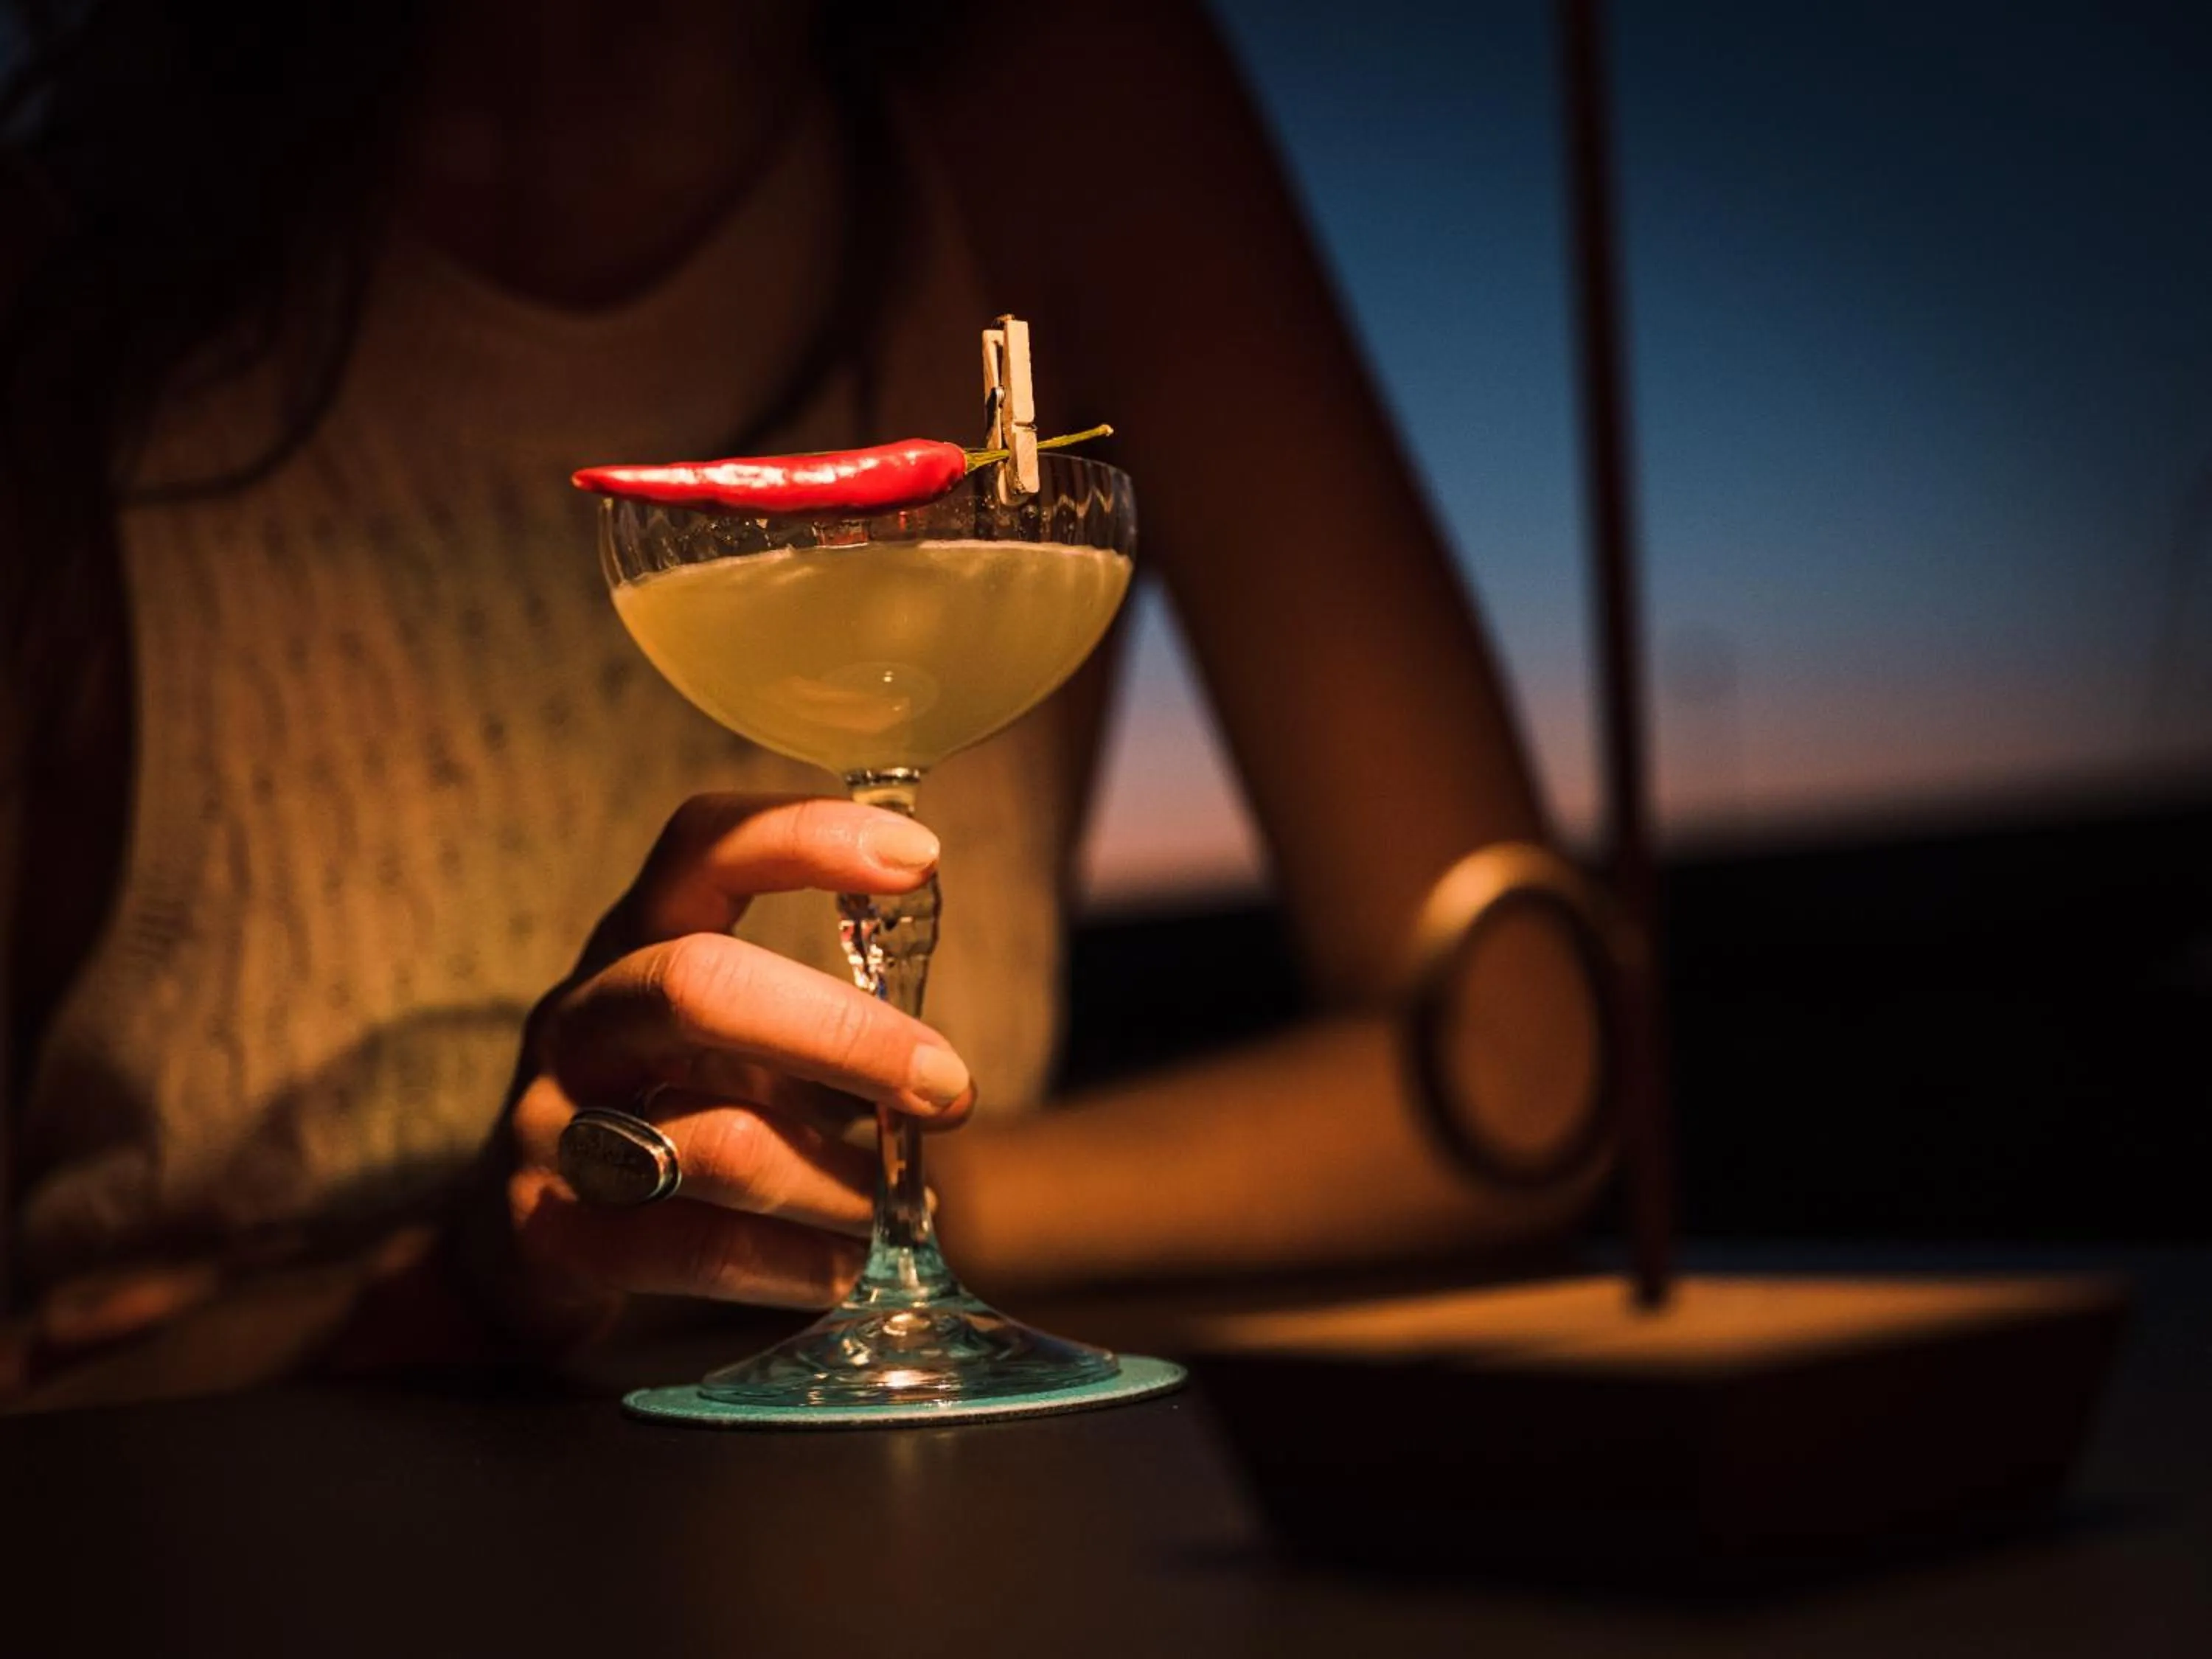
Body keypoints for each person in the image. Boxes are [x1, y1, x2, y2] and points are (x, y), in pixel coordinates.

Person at [0, 0, 1602, 1407]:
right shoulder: (74, 284)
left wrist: (834, 1207)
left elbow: (1529, 1074)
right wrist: (438, 1290)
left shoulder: (1047, 113)